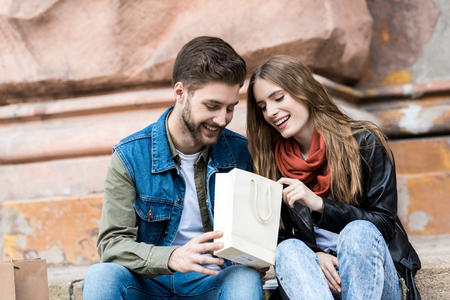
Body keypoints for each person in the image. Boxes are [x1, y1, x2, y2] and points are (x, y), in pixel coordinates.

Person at [82, 36, 265, 300]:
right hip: (147, 282)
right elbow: (112, 245)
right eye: (212, 106)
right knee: (101, 276)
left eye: (230, 108)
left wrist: (252, 257)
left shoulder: (241, 153)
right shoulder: (130, 156)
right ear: (180, 93)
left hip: (210, 280)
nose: (222, 119)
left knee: (245, 279)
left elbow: (256, 234)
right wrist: (172, 257)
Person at [246, 55, 420, 300]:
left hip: (372, 276)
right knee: (288, 249)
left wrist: (319, 204)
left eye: (279, 98)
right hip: (317, 284)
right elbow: (278, 236)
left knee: (358, 233)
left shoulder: (364, 141)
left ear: (304, 90)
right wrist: (315, 255)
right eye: (263, 106)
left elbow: (383, 225)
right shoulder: (271, 161)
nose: (271, 112)